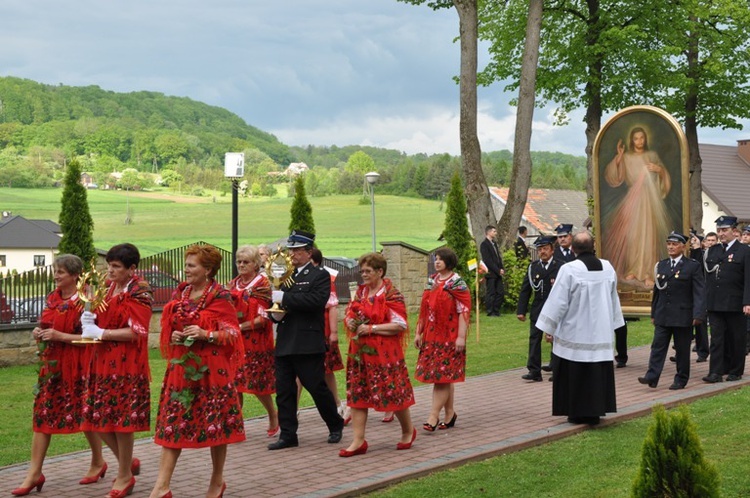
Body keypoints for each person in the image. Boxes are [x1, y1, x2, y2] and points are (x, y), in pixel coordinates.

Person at [150, 245, 245, 498]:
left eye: (192, 265)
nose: (186, 269)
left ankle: (217, 480)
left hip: (212, 370)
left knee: (216, 425)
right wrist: (176, 334)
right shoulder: (181, 293)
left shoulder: (221, 296)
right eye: (187, 264)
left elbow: (234, 334)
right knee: (173, 424)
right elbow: (170, 328)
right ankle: (161, 486)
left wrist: (207, 334)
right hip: (181, 369)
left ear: (208, 270)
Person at [11, 255, 105, 496]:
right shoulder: (53, 297)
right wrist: (39, 332)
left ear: (75, 275)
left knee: (84, 415)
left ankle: (99, 461)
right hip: (52, 366)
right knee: (42, 416)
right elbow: (46, 325)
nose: (55, 276)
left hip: (78, 365)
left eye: (61, 272)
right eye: (55, 271)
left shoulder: (88, 299)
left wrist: (59, 337)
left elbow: (92, 337)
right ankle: (34, 473)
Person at [80, 243, 153, 498]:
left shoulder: (140, 290)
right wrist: (90, 321)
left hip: (127, 363)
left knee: (122, 421)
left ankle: (124, 475)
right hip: (102, 361)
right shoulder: (110, 287)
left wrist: (102, 332)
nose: (109, 271)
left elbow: (138, 331)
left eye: (116, 267)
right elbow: (102, 316)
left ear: (132, 268)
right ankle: (127, 461)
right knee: (97, 419)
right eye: (109, 265)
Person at [267, 230, 344, 450]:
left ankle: (335, 423)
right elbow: (280, 304)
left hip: (307, 342)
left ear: (309, 252)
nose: (293, 253)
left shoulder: (318, 275)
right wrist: (275, 312)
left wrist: (286, 298)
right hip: (285, 340)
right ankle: (288, 434)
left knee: (316, 387)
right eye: (291, 249)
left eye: (298, 250)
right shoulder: (285, 275)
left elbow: (316, 301)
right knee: (284, 391)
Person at [537, 231, 625, 425]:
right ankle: (596, 410)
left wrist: (548, 326)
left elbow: (558, 301)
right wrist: (615, 323)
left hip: (575, 330)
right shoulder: (607, 267)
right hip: (600, 330)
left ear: (573, 249)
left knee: (576, 371)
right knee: (595, 373)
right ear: (593, 247)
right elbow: (613, 298)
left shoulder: (569, 269)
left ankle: (576, 412)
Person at [340, 252, 416, 456]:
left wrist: (372, 328)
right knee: (358, 394)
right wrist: (350, 321)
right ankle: (358, 441)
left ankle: (408, 430)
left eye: (368, 271)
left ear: (379, 271)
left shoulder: (392, 294)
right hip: (360, 353)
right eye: (361, 271)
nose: (363, 275)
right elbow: (350, 312)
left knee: (393, 393)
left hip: (385, 354)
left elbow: (400, 325)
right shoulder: (360, 293)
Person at [603, 126, 671, 288]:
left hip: (650, 200)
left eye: (642, 138)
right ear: (631, 140)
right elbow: (615, 177)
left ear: (645, 139)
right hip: (633, 200)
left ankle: (648, 272)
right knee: (633, 235)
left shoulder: (652, 155)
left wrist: (659, 170)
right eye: (636, 138)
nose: (639, 141)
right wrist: (619, 157)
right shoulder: (626, 157)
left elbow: (663, 176)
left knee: (648, 235)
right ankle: (633, 269)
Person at [638, 232, 705, 390]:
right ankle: (651, 376)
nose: (670, 247)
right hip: (663, 314)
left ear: (683, 246)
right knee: (657, 347)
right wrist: (654, 312)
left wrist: (698, 314)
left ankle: (681, 379)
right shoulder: (661, 265)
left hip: (682, 315)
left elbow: (699, 292)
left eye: (674, 244)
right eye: (669, 243)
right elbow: (657, 291)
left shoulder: (692, 266)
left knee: (682, 350)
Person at [415, 247, 470, 431]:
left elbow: (464, 311)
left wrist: (461, 337)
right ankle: (450, 413)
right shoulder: (432, 281)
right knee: (445, 376)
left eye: (441, 259)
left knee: (441, 377)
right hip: (431, 335)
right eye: (436, 259)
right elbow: (424, 308)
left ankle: (433, 416)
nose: (437, 262)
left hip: (449, 335)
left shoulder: (457, 283)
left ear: (449, 262)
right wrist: (418, 332)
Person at [228, 245, 278, 437]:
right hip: (234, 342)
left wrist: (239, 327)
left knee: (257, 384)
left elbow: (264, 317)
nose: (241, 265)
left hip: (256, 342)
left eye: (246, 262)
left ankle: (273, 414)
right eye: (239, 261)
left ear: (256, 264)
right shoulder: (232, 285)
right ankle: (236, 424)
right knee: (234, 383)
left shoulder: (262, 284)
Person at [702, 216, 750, 383]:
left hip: (735, 303)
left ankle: (735, 371)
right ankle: (715, 371)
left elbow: (748, 279)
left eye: (724, 230)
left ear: (734, 231)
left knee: (736, 338)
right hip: (715, 302)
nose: (721, 234)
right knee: (716, 339)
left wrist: (747, 301)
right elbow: (707, 277)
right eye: (719, 230)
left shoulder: (744, 251)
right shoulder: (713, 251)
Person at [516, 236, 561, 382]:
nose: (542, 252)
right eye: (540, 249)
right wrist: (521, 310)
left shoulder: (560, 266)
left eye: (545, 249)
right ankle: (534, 370)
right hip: (538, 308)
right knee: (534, 338)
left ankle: (557, 368)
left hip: (555, 308)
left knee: (556, 339)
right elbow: (525, 290)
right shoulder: (533, 267)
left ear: (552, 250)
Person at [310, 248, 347, 418]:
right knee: (297, 374)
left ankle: (338, 403)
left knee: (327, 371)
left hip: (322, 331)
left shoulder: (324, 278)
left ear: (315, 262)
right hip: (305, 332)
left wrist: (333, 333)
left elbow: (332, 306)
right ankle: (291, 411)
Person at [479, 225, 504, 316]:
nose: (495, 233)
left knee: (500, 292)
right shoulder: (484, 245)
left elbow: (498, 257)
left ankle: (496, 310)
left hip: (498, 272)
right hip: (491, 272)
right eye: (494, 231)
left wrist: (501, 268)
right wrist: (497, 270)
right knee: (491, 293)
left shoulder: (494, 244)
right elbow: (487, 260)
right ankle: (490, 311)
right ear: (488, 232)